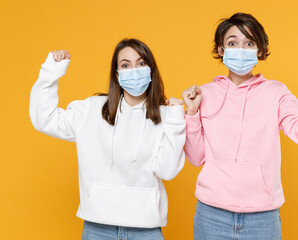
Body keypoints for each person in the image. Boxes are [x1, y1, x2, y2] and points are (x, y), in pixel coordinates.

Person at [182, 13, 298, 239]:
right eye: (232, 43)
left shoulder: (276, 92)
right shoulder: (204, 94)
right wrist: (191, 114)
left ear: (259, 50)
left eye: (249, 43)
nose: (241, 49)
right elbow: (195, 157)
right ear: (221, 50)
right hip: (211, 215)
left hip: (263, 217)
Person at [29, 38, 186, 240]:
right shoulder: (91, 110)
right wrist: (51, 73)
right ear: (117, 74)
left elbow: (167, 170)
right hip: (98, 229)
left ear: (151, 70)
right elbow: (45, 119)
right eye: (125, 65)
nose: (134, 70)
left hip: (146, 231)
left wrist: (175, 119)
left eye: (141, 63)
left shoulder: (166, 115)